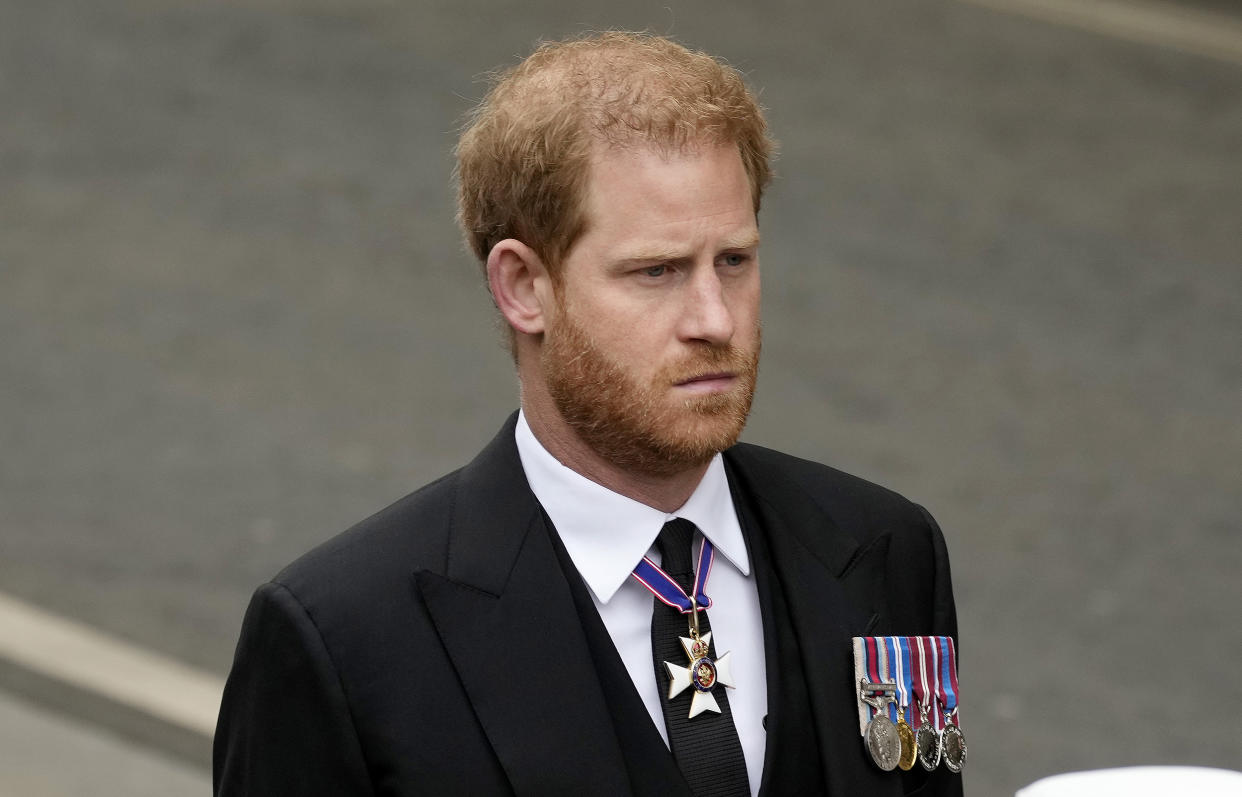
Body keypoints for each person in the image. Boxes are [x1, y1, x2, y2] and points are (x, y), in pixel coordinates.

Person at [214, 31, 961, 796]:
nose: (715, 318)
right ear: (524, 287)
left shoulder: (885, 553)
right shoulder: (345, 640)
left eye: (733, 260)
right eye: (656, 271)